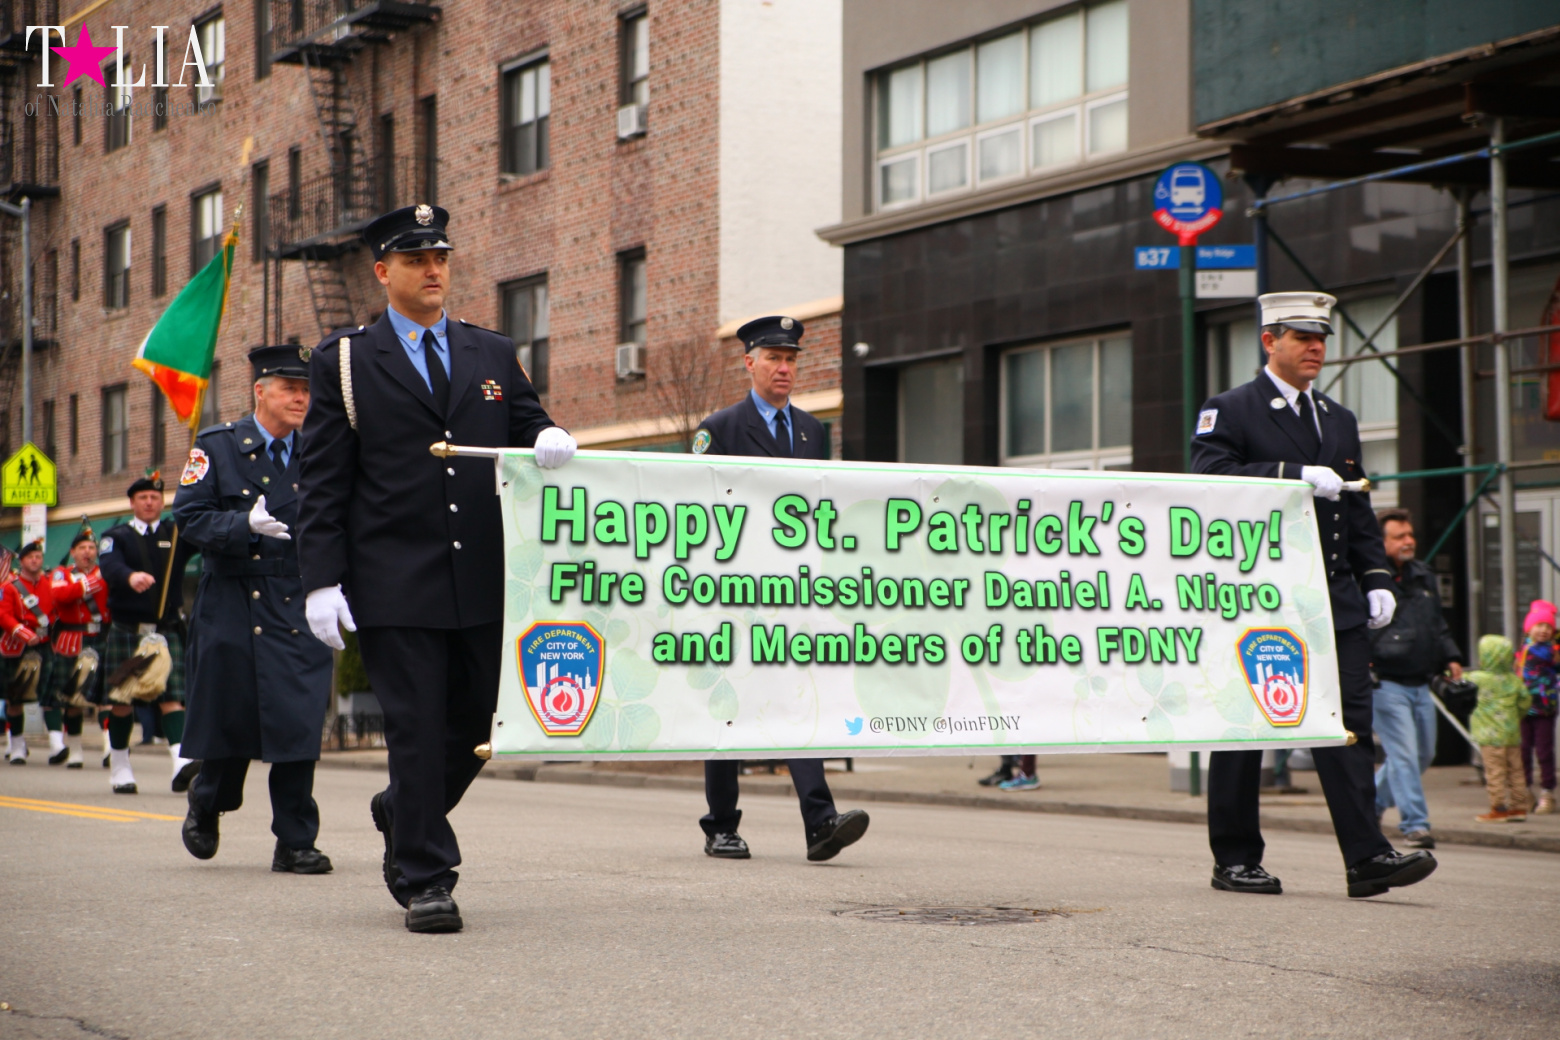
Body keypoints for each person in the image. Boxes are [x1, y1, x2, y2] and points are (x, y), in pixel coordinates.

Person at [297, 203, 577, 933]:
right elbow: (323, 479)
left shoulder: (488, 351)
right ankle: (426, 875)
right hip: (395, 576)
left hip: (484, 576)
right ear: (383, 271)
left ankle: (402, 810)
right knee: (416, 727)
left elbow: (524, 420)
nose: (433, 270)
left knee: (484, 720)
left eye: (441, 257)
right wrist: (320, 579)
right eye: (416, 259)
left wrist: (546, 432)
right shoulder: (346, 362)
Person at [1190, 291, 1436, 898]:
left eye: (1321, 339)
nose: (1316, 348)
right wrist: (1288, 476)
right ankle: (1236, 857)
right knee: (1247, 725)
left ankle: (1367, 858)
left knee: (1349, 725)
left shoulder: (1338, 418)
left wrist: (1377, 579)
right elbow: (1207, 479)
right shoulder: (1232, 409)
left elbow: (1356, 509)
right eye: (1302, 337)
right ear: (1269, 341)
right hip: (1258, 598)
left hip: (1332, 599)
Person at [689, 315, 870, 862]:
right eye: (773, 358)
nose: (784, 368)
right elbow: (693, 510)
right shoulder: (718, 429)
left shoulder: (814, 432)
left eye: (791, 359)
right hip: (732, 593)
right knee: (729, 702)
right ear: (749, 362)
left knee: (797, 701)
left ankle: (820, 823)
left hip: (792, 595)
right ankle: (720, 824)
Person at [175, 346, 336, 875]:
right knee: (231, 719)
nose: (301, 398)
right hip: (233, 600)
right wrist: (241, 526)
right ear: (259, 391)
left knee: (298, 723)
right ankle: (207, 798)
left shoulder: (321, 448)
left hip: (296, 599)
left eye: (307, 389)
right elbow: (190, 518)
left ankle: (294, 840)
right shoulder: (218, 447)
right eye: (290, 388)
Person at [97, 472, 199, 794]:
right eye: (143, 497)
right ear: (132, 502)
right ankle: (120, 766)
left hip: (166, 631)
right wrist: (130, 577)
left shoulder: (175, 534)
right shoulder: (117, 535)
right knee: (122, 701)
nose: (150, 502)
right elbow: (109, 566)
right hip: (128, 630)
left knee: (172, 698)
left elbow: (205, 540)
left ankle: (182, 764)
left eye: (155, 497)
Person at [1368, 508, 1464, 849]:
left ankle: (1372, 805)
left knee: (1423, 754)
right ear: (1380, 542)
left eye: (1410, 535)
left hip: (1421, 681)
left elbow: (1436, 624)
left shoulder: (1423, 575)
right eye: (1399, 536)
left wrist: (1451, 655)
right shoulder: (1366, 579)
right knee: (1405, 755)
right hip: (1385, 683)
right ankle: (1415, 824)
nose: (1409, 541)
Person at [42, 530, 110, 768]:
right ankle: (76, 750)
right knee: (71, 700)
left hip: (100, 637)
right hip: (71, 639)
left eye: (91, 548)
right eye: (82, 548)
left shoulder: (106, 571)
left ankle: (110, 747)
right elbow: (59, 595)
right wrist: (91, 584)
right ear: (73, 552)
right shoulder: (62, 572)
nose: (87, 552)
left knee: (105, 697)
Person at [1467, 634, 1532, 822]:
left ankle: (1499, 808)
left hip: (1489, 736)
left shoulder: (1478, 678)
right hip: (1512, 734)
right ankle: (1519, 807)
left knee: (1495, 773)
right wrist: (1517, 716)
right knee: (1516, 771)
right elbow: (1525, 700)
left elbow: (1455, 680)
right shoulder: (1514, 680)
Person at [1, 540, 53, 764]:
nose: (35, 560)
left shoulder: (50, 584)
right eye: (30, 557)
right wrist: (23, 633)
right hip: (17, 646)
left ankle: (58, 744)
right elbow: (4, 616)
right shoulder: (9, 587)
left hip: (46, 643)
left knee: (51, 692)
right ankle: (18, 745)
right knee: (16, 697)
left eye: (38, 556)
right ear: (21, 561)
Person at [1516, 600, 1557, 815]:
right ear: (1528, 627)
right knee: (1523, 752)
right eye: (1539, 625)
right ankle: (1526, 792)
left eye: (1548, 626)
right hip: (1524, 709)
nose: (1543, 630)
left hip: (1544, 709)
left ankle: (1547, 792)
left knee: (1544, 751)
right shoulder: (1524, 650)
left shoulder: (1550, 651)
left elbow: (1547, 657)